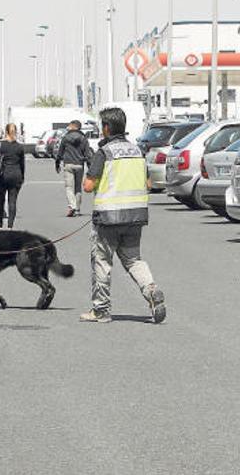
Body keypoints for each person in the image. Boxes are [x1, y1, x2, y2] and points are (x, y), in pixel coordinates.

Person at [79, 107, 166, 324]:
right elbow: (147, 183)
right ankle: (151, 289)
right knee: (133, 259)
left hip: (108, 219)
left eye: (102, 125)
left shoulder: (105, 153)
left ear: (107, 128)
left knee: (102, 263)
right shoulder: (137, 151)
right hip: (135, 216)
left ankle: (101, 310)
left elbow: (88, 186)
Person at [0, 123, 25, 229]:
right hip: (16, 175)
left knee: (0, 200)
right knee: (12, 201)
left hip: (2, 175)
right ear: (16, 132)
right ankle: (10, 226)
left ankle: (0, 225)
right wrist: (22, 177)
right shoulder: (19, 147)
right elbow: (22, 164)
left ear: (6, 132)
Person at [55, 120, 93, 217]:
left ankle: (72, 206)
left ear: (73, 126)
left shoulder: (66, 137)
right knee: (78, 188)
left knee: (69, 187)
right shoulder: (83, 138)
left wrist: (57, 163)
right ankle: (78, 209)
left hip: (68, 164)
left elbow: (60, 152)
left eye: (70, 125)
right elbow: (88, 154)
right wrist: (90, 166)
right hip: (79, 165)